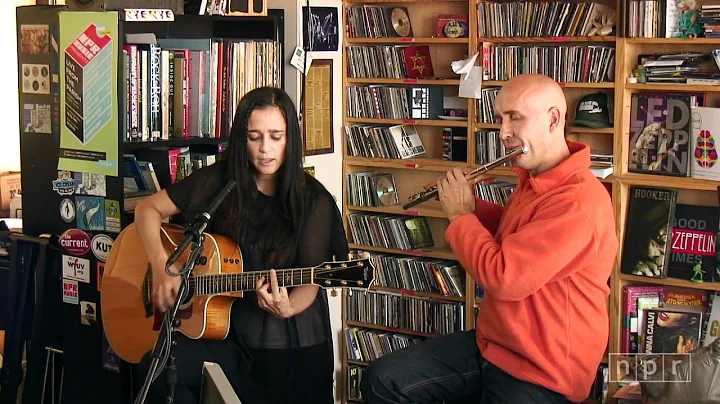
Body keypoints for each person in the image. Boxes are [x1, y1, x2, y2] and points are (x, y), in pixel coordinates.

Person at [360, 74, 619, 403]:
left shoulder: (577, 203)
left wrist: (460, 215)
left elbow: (505, 276)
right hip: (496, 347)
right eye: (500, 119)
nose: (503, 133)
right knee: (384, 381)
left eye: (515, 117)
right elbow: (515, 237)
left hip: (543, 371)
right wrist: (470, 205)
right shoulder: (536, 180)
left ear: (553, 119)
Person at [133, 86, 349, 404]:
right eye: (254, 136)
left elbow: (313, 279)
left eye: (276, 136)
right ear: (241, 139)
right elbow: (146, 209)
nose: (265, 149)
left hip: (290, 349)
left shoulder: (312, 200)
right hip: (226, 337)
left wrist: (288, 306)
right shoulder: (221, 183)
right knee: (157, 370)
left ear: (291, 139)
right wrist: (161, 264)